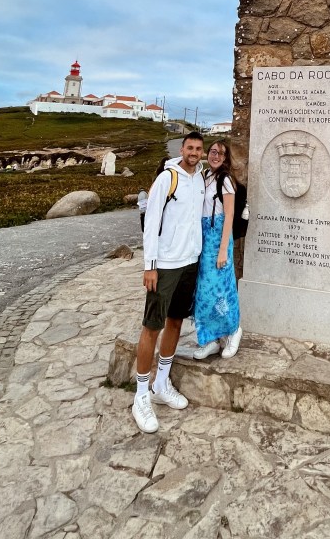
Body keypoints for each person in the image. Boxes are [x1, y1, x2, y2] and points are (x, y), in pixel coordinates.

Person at [132, 132, 205, 434]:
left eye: (199, 149)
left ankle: (161, 383)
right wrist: (149, 265)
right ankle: (140, 395)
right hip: (165, 265)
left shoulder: (200, 179)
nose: (194, 153)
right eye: (190, 148)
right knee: (153, 326)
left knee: (175, 322)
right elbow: (151, 223)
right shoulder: (167, 178)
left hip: (190, 262)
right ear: (182, 149)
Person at [192, 140, 243, 361]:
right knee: (204, 292)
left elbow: (229, 215)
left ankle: (233, 331)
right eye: (213, 151)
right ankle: (210, 338)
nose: (215, 156)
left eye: (221, 153)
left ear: (225, 158)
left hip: (218, 240)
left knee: (222, 289)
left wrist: (223, 250)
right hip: (202, 240)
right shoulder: (204, 176)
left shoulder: (226, 181)